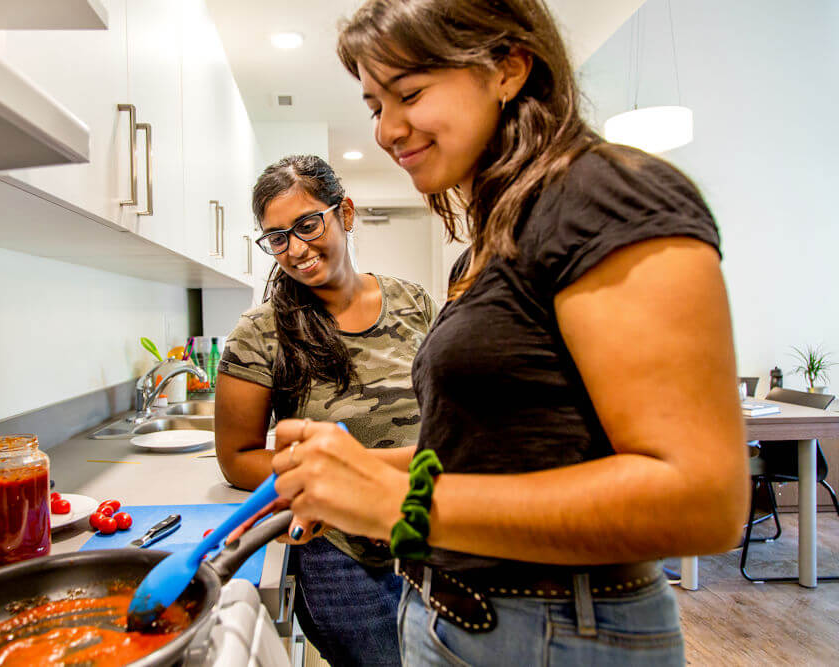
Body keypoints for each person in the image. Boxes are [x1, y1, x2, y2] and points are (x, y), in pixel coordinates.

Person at [261, 1, 751, 665]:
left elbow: (702, 498)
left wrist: (397, 500)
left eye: (408, 93)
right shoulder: (490, 244)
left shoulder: (606, 195)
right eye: (376, 104)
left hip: (555, 632)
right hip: (456, 616)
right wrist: (355, 473)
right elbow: (501, 450)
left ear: (509, 68)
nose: (386, 130)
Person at [214, 154, 437, 666]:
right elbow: (238, 458)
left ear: (347, 213)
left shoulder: (414, 302)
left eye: (307, 224)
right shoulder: (260, 331)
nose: (295, 249)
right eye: (277, 237)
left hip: (427, 534)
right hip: (343, 556)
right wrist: (329, 482)